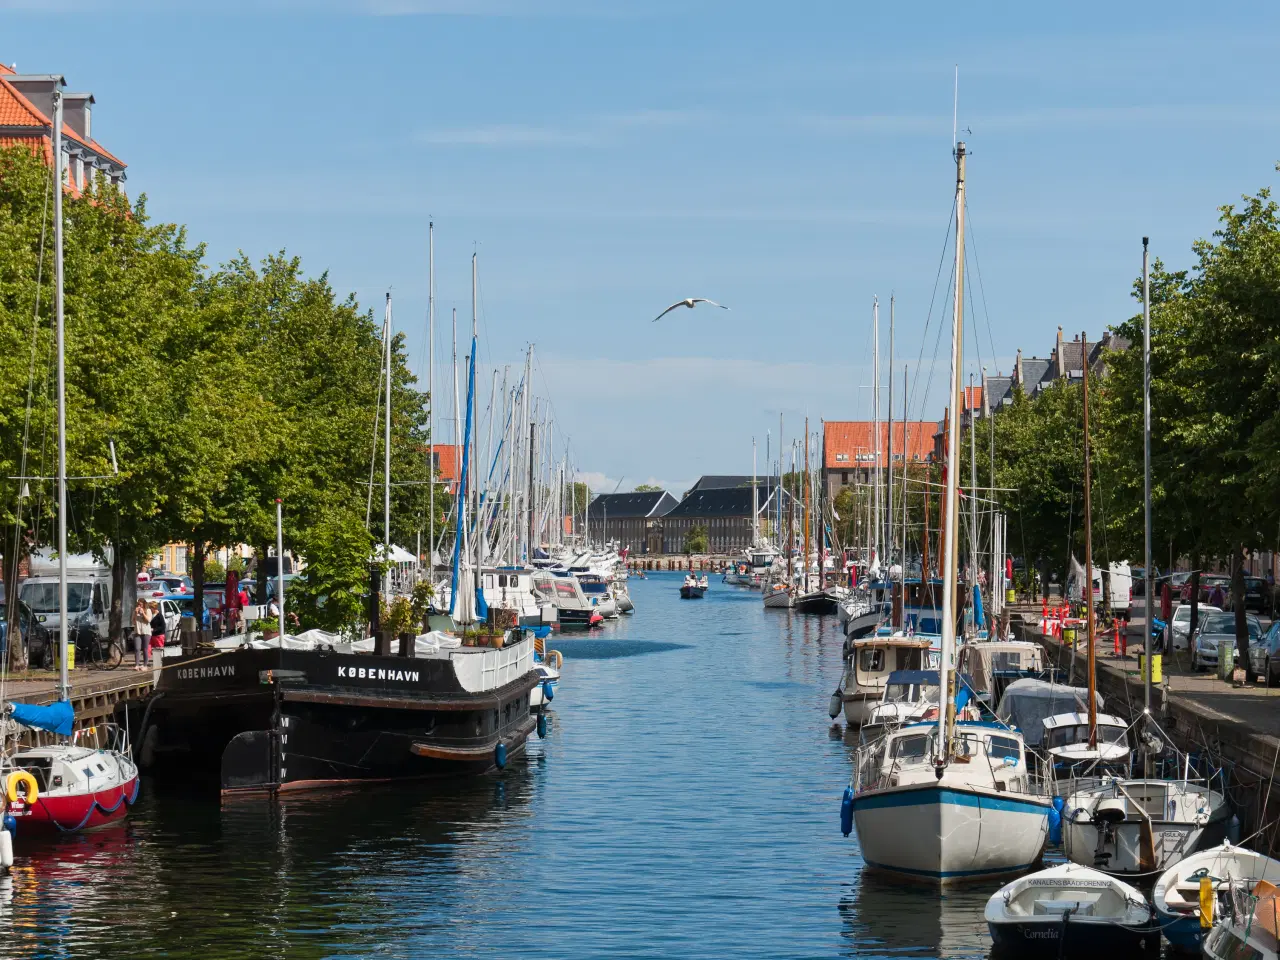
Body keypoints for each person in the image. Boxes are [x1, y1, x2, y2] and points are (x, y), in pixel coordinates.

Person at [131, 598, 150, 672]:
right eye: (138, 604)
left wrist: (143, 613)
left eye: (140, 604)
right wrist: (136, 613)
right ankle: (137, 665)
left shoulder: (148, 610)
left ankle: (145, 665)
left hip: (146, 632)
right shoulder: (135, 611)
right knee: (137, 648)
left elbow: (148, 620)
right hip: (137, 631)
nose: (139, 606)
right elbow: (133, 622)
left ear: (144, 604)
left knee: (145, 649)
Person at [148, 601, 167, 667]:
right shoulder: (150, 615)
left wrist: (154, 629)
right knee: (148, 648)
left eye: (151, 608)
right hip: (151, 635)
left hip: (159, 635)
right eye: (149, 607)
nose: (150, 609)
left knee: (159, 649)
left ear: (154, 608)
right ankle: (148, 661)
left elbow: (163, 626)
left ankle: (160, 661)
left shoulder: (159, 615)